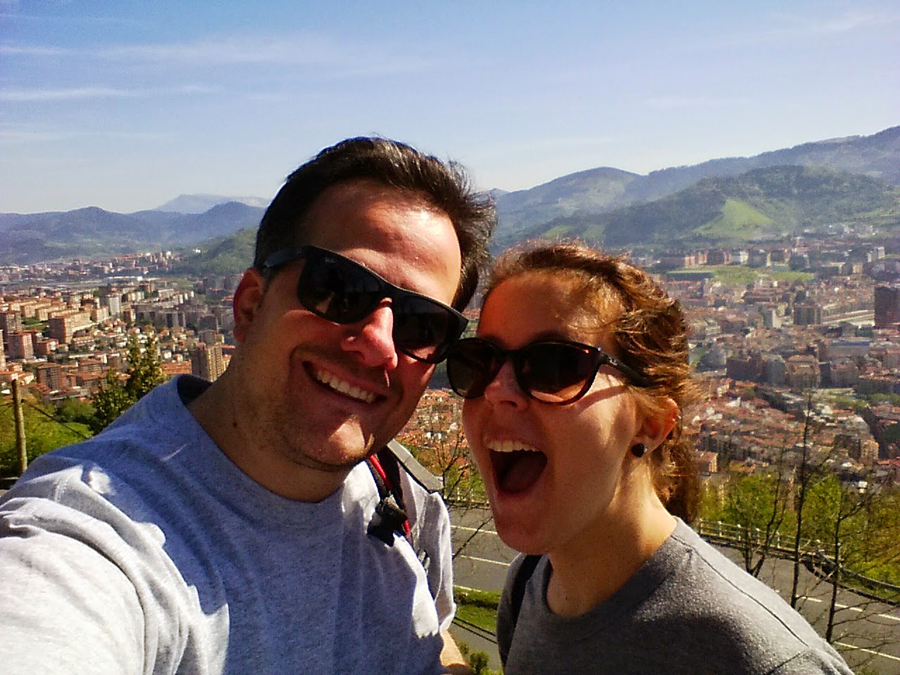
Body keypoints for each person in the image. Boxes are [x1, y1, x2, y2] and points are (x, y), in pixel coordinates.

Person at [0, 137, 495, 674]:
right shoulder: (94, 538)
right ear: (251, 305)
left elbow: (429, 634)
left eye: (423, 325)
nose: (378, 344)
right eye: (340, 289)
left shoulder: (404, 499)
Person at [445, 241, 854, 674]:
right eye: (481, 361)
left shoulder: (764, 661)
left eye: (553, 365)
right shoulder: (529, 587)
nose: (497, 390)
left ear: (653, 424)